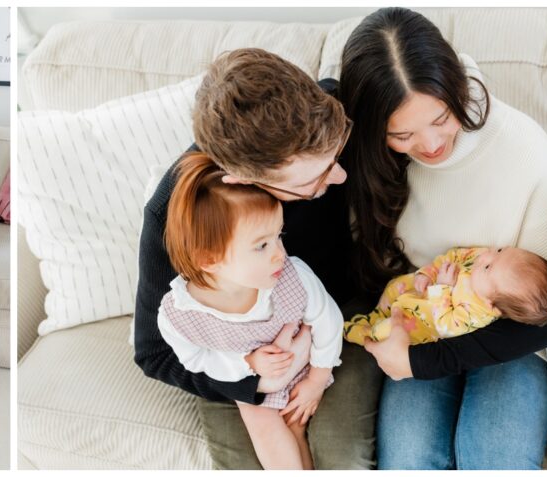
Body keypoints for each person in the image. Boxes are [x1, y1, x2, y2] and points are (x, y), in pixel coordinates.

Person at [337, 8, 547, 469]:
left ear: (455, 88)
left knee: (493, 460)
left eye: (441, 117)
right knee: (407, 461)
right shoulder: (369, 161)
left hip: (511, 338)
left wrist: (423, 365)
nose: (429, 144)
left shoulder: (528, 155)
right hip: (420, 323)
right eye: (401, 134)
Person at [134, 48, 381, 469]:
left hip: (335, 317)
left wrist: (316, 369)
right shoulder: (177, 217)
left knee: (343, 459)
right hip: (239, 361)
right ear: (246, 181)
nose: (338, 176)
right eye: (314, 179)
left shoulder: (330, 112)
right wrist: (255, 382)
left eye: (335, 157)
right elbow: (153, 353)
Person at [158, 153, 343, 469]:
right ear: (210, 260)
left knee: (295, 422)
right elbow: (196, 359)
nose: (279, 255)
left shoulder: (292, 277)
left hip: (307, 361)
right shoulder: (180, 314)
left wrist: (316, 378)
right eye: (262, 246)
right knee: (264, 426)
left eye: (278, 237)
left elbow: (329, 321)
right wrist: (246, 362)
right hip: (252, 380)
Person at [345, 247, 547, 346]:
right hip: (413, 291)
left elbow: (445, 326)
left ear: (491, 304)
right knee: (393, 288)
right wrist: (427, 273)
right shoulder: (481, 260)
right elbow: (452, 256)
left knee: (381, 332)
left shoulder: (476, 314)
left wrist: (442, 288)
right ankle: (375, 313)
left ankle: (354, 331)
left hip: (415, 323)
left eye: (487, 266)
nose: (486, 255)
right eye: (499, 251)